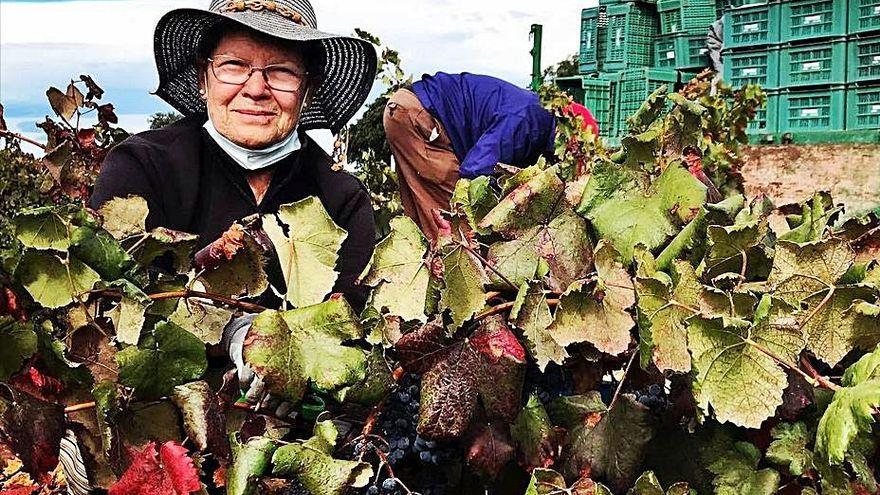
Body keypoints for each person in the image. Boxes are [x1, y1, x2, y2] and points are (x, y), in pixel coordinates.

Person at [383, 72, 599, 240]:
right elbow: (474, 170)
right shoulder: (526, 121)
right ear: (563, 134)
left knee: (424, 217)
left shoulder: (538, 120)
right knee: (453, 221)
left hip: (408, 110)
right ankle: (449, 288)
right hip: (418, 115)